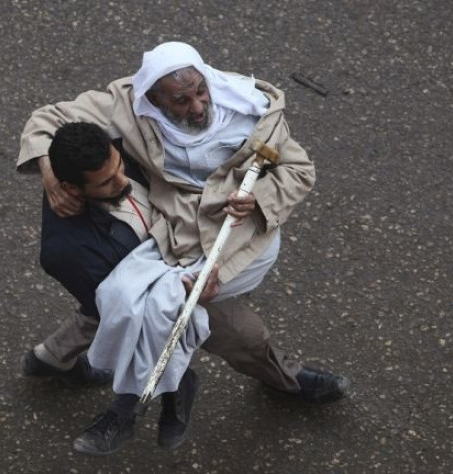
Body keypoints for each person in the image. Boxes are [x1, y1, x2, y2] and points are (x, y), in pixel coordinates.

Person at [17, 42, 350, 455]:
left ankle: (128, 404)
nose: (196, 107)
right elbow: (48, 119)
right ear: (152, 98)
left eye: (200, 91)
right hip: (172, 233)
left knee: (194, 317)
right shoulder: (128, 104)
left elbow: (299, 170)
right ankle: (72, 364)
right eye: (180, 100)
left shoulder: (251, 113)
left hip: (237, 235)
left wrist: (261, 197)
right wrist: (48, 170)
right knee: (124, 298)